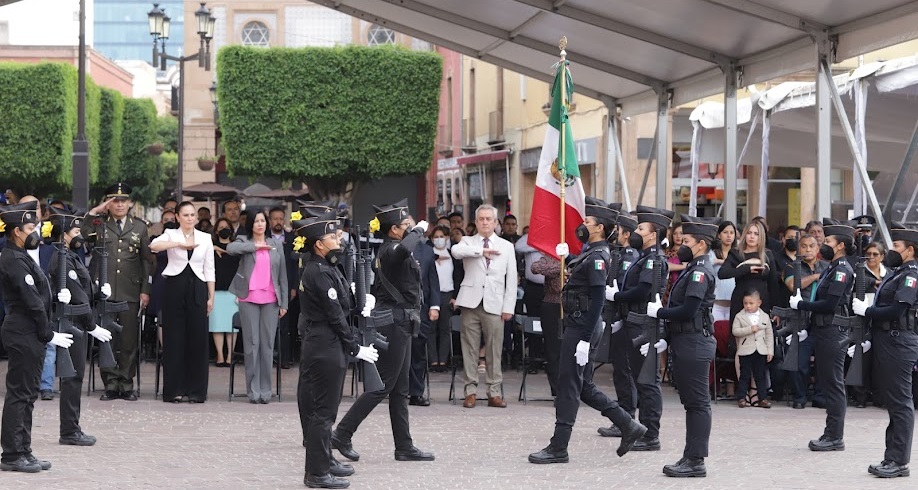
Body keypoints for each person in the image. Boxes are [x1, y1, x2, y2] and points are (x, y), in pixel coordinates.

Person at [528, 197, 647, 464]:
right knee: (583, 386)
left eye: (588, 222)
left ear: (600, 228)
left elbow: (597, 300)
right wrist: (567, 257)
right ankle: (629, 425)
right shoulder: (590, 253)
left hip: (582, 326)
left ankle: (559, 447)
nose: (583, 224)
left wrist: (583, 339)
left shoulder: (597, 257)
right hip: (578, 324)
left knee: (569, 386)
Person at [332, 199, 435, 463]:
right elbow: (404, 250)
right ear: (393, 230)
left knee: (399, 390)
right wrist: (419, 231)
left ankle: (404, 446)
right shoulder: (391, 250)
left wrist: (413, 232)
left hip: (403, 322)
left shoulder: (396, 248)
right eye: (405, 225)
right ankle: (342, 433)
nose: (410, 227)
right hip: (394, 324)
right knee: (383, 387)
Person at [297, 212, 379, 489]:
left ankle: (322, 464)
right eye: (332, 236)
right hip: (325, 344)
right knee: (323, 412)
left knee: (322, 410)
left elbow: (342, 305)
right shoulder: (318, 271)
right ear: (319, 244)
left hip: (327, 343)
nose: (338, 240)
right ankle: (317, 473)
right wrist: (355, 347)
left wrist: (360, 300)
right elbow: (334, 316)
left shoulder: (328, 267)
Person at [0, 201, 73, 473]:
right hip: (23, 331)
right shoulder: (12, 259)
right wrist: (48, 333)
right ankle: (11, 454)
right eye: (32, 227)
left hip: (29, 332)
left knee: (28, 394)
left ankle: (24, 450)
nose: (37, 231)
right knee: (20, 394)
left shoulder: (22, 257)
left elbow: (40, 297)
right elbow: (31, 302)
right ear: (17, 231)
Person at [645, 214, 721, 477]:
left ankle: (696, 460)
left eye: (686, 240)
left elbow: (688, 310)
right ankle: (690, 456)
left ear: (701, 244)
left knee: (698, 403)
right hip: (685, 340)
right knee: (692, 403)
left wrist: (660, 313)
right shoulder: (693, 268)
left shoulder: (700, 272)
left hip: (694, 342)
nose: (681, 245)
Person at [601, 205, 673, 451]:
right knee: (639, 379)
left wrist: (618, 297)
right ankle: (643, 429)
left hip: (645, 325)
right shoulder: (644, 258)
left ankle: (651, 434)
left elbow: (643, 291)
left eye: (641, 228)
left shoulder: (653, 260)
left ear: (653, 235)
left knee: (647, 381)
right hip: (635, 322)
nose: (636, 231)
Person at [851, 223, 918, 478]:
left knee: (900, 403)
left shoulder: (911, 275)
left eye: (896, 246)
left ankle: (899, 461)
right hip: (888, 339)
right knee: (893, 402)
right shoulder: (898, 272)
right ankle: (892, 457)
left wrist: (867, 311)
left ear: (909, 250)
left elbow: (898, 310)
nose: (891, 250)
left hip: (899, 341)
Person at [48, 207, 115, 446]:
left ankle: (72, 427)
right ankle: (69, 431)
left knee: (76, 377)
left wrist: (99, 292)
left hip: (78, 323)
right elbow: (77, 297)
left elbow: (85, 291)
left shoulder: (72, 256)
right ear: (64, 233)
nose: (80, 235)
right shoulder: (62, 258)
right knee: (73, 379)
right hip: (73, 324)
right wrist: (92, 326)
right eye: (76, 230)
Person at [789, 218, 856, 451]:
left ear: (840, 246)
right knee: (828, 383)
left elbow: (829, 304)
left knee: (833, 385)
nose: (822, 243)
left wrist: (802, 305)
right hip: (824, 330)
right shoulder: (831, 268)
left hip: (833, 333)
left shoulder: (842, 270)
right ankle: (831, 433)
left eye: (828, 240)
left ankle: (835, 436)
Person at [83, 182, 152, 401]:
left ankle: (126, 383)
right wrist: (94, 212)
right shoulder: (99, 223)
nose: (119, 204)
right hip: (105, 291)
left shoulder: (140, 227)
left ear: (130, 203)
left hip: (130, 291)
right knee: (107, 340)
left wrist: (145, 290)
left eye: (123, 201)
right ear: (108, 203)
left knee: (128, 341)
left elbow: (146, 262)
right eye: (115, 201)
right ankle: (111, 384)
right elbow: (84, 234)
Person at [451, 204, 518, 408]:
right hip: (470, 301)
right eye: (481, 219)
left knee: (494, 349)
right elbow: (456, 251)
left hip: (495, 302)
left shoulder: (507, 246)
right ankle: (470, 391)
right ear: (476, 221)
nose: (485, 222)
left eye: (489, 219)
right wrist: (482, 251)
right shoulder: (467, 241)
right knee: (469, 349)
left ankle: (494, 391)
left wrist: (509, 307)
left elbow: (512, 279)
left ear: (496, 222)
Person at [150, 201, 216, 403]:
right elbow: (153, 246)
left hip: (198, 286)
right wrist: (179, 244)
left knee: (197, 339)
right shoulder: (171, 234)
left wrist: (211, 296)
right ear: (177, 217)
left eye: (192, 215)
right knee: (174, 338)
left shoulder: (205, 238)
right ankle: (174, 390)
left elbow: (209, 268)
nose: (189, 218)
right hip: (175, 286)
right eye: (185, 215)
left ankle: (197, 391)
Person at [227, 209, 289, 404]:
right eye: (256, 221)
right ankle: (253, 391)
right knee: (252, 346)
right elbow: (230, 249)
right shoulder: (244, 242)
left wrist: (284, 302)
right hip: (248, 298)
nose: (260, 224)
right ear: (251, 224)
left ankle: (266, 391)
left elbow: (283, 277)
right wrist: (255, 247)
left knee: (267, 346)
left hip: (271, 299)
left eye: (263, 221)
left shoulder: (276, 244)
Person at [597, 211, 641, 438]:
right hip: (617, 318)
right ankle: (625, 418)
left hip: (624, 320)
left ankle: (626, 419)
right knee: (620, 371)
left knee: (624, 372)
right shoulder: (621, 254)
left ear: (625, 233)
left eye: (618, 230)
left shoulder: (629, 257)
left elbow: (622, 289)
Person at [783, 233, 828, 409]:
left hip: (822, 320)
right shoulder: (790, 266)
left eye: (811, 246)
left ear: (818, 248)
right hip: (800, 320)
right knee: (799, 362)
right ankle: (800, 396)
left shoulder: (827, 266)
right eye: (804, 246)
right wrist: (816, 277)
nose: (808, 249)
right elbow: (793, 285)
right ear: (798, 248)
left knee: (823, 362)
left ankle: (819, 397)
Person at [408, 217, 441, 406]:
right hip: (399, 309)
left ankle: (416, 392)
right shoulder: (395, 249)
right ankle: (397, 390)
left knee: (418, 352)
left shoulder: (427, 251)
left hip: (420, 308)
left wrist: (435, 306)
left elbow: (433, 281)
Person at [732, 289, 774, 408]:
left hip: (760, 350)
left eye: (751, 303)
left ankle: (763, 398)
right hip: (745, 350)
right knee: (744, 375)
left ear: (759, 303)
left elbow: (769, 334)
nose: (748, 306)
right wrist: (749, 329)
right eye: (745, 303)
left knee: (760, 375)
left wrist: (770, 350)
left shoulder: (764, 316)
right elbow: (735, 331)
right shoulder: (740, 316)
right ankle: (741, 397)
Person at [211, 218, 240, 366]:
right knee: (217, 325)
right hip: (215, 291)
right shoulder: (210, 247)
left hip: (233, 291)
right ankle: (220, 356)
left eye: (226, 227)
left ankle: (230, 356)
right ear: (216, 230)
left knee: (231, 326)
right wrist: (216, 248)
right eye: (221, 227)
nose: (224, 229)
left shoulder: (236, 248)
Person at [428, 225, 458, 371]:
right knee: (431, 328)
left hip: (447, 294)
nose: (439, 239)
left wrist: (455, 297)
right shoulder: (429, 254)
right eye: (436, 237)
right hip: (433, 294)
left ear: (447, 238)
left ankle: (443, 360)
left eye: (442, 236)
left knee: (445, 328)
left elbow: (458, 276)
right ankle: (433, 360)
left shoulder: (453, 254)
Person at [711, 221, 738, 322]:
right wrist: (718, 261)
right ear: (719, 235)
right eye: (725, 232)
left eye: (731, 233)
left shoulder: (738, 254)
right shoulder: (712, 253)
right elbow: (709, 264)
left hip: (734, 303)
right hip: (716, 304)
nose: (729, 236)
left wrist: (720, 262)